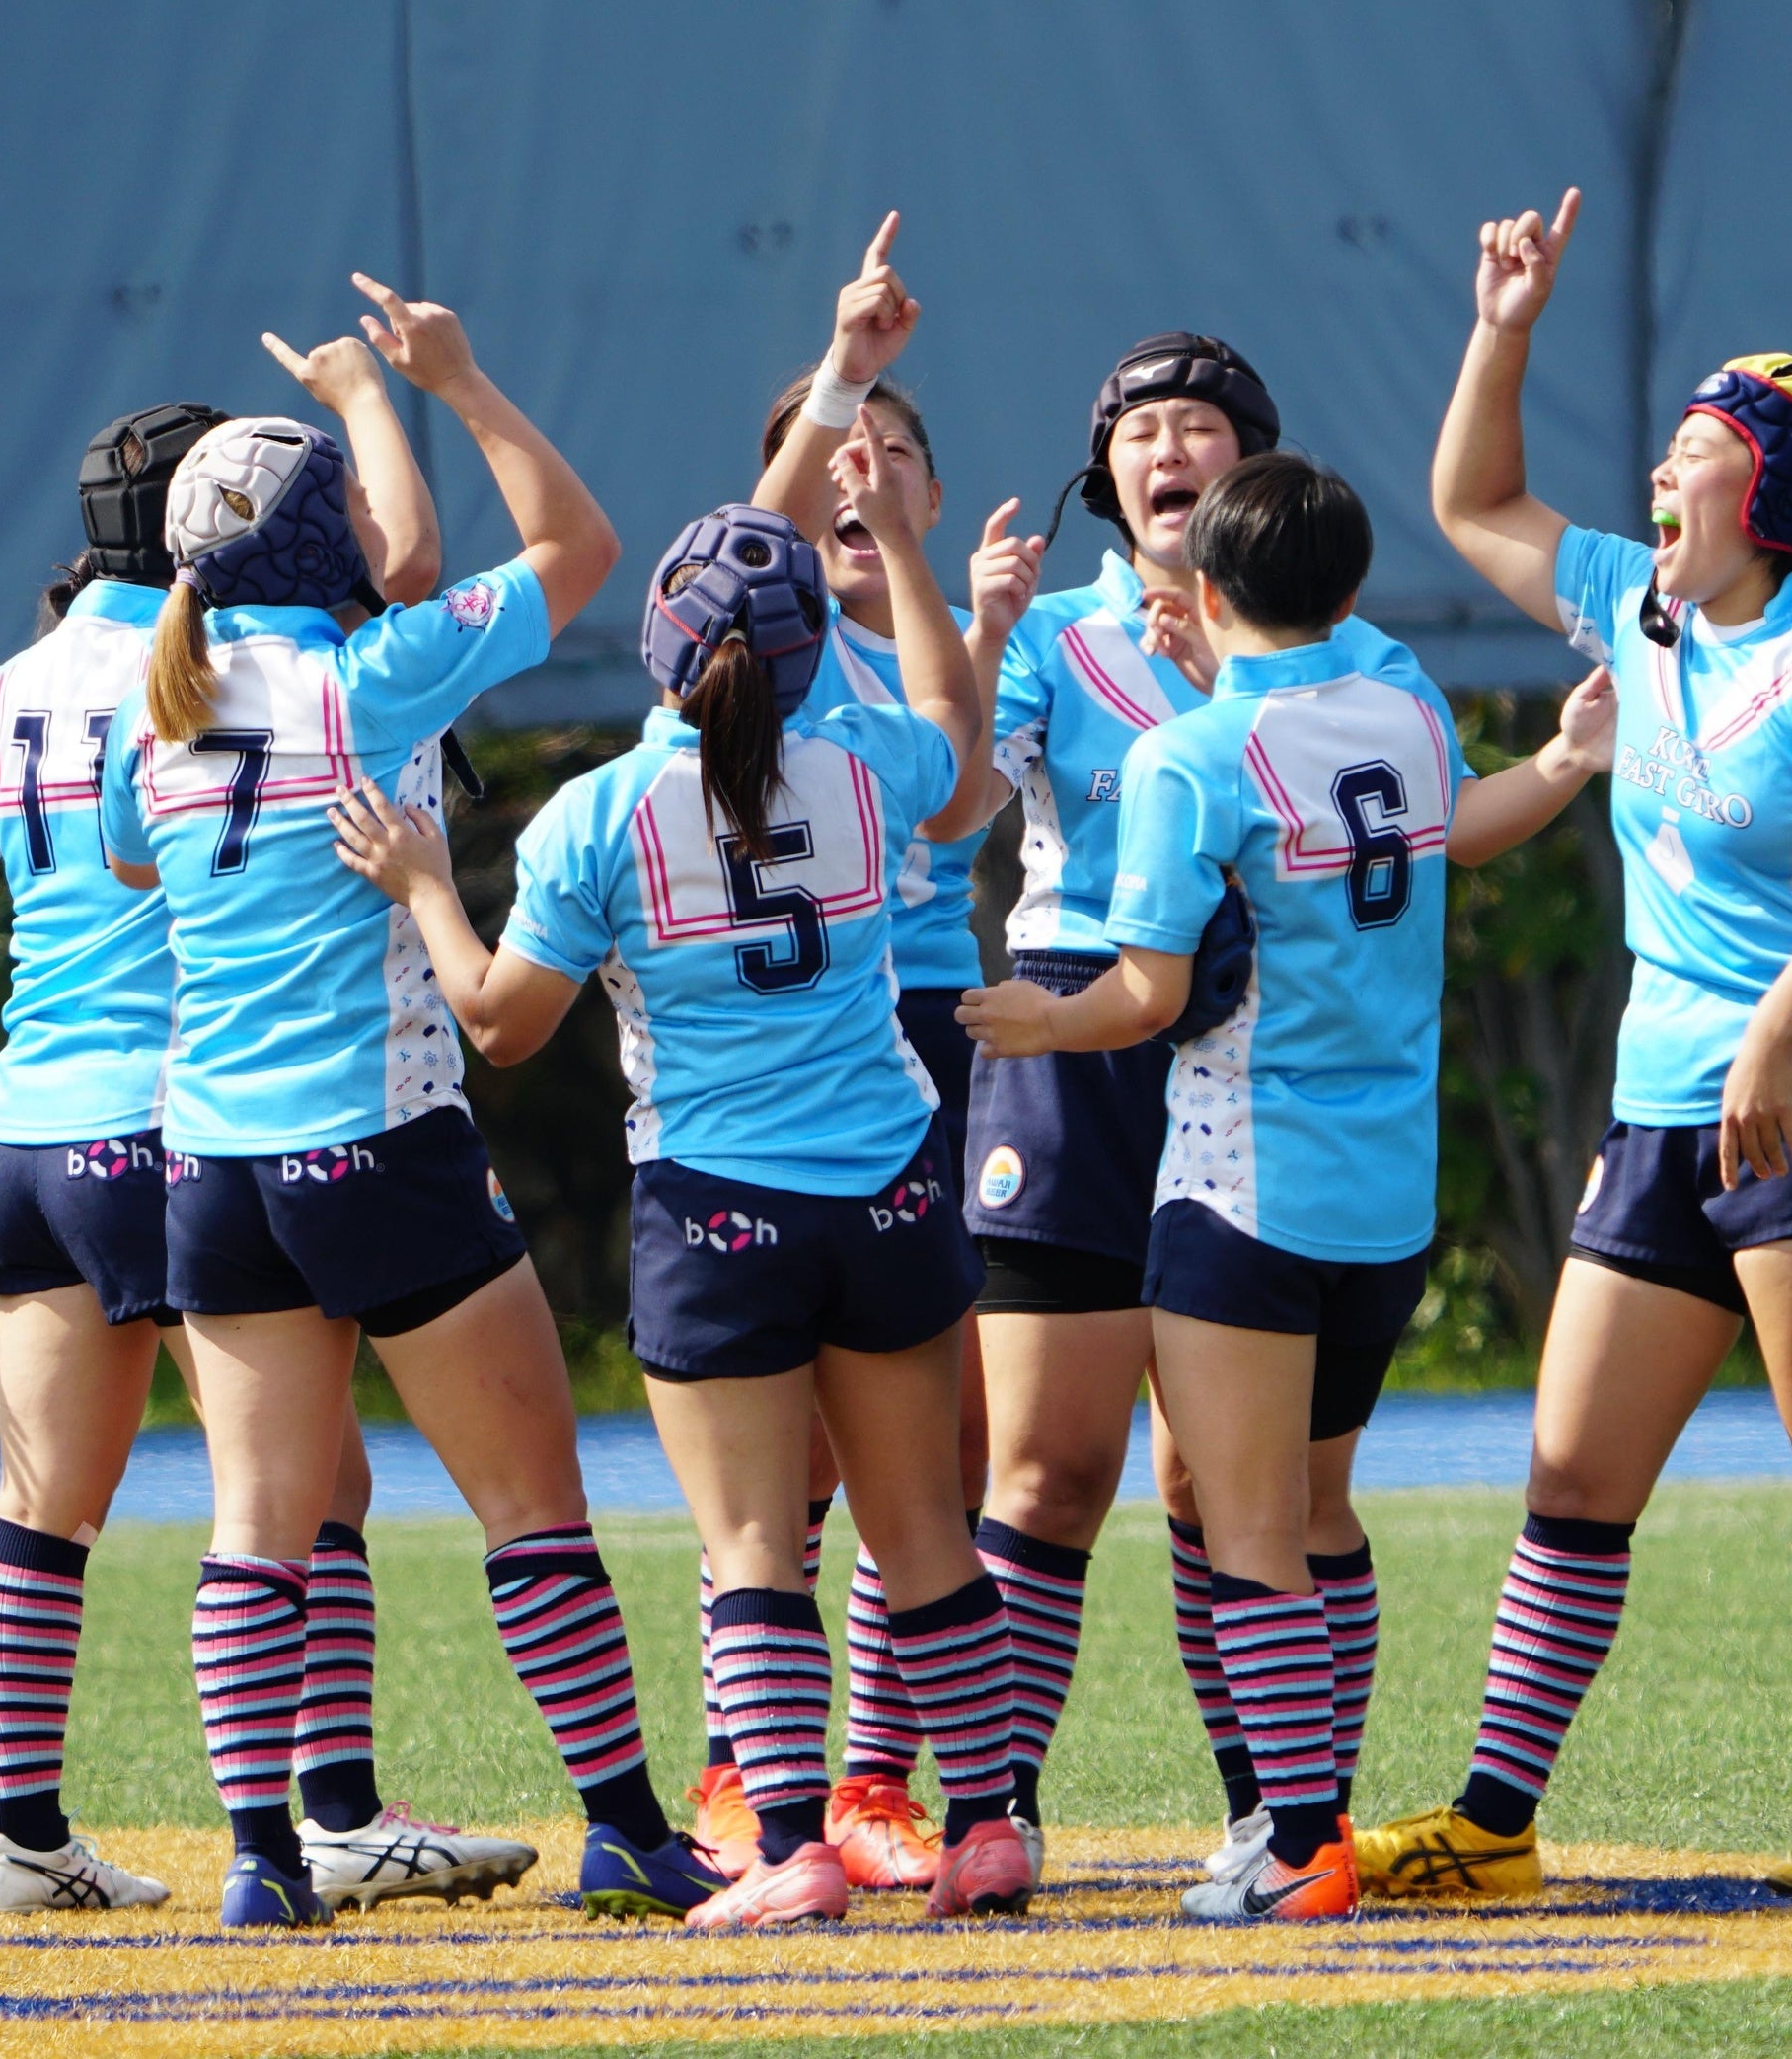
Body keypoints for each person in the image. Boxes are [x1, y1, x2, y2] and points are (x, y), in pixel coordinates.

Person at [0, 343, 528, 1918]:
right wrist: (376, 399)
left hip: (25, 1138)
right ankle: (331, 1815)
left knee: (43, 1506)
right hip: (182, 1126)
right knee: (307, 1492)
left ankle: (21, 1833)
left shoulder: (0, 692)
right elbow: (409, 573)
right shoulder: (213, 672)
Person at [1360, 190, 1792, 1903]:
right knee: (1570, 1474)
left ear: (1769, 492)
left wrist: (1775, 1032)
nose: (1656, 475)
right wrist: (1503, 327)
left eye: (1693, 452)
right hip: (1660, 1112)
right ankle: (1495, 1823)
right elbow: (1473, 503)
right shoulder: (1643, 609)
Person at [332, 453, 1034, 1933]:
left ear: (660, 639)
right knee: (925, 1537)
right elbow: (960, 744)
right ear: (807, 654)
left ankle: (788, 1848)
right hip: (889, 1189)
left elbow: (500, 1024)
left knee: (753, 1550)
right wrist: (908, 553)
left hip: (719, 1210)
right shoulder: (863, 766)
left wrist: (425, 886)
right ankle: (986, 1832)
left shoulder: (597, 815)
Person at [97, 277, 714, 1932]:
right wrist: (458, 387)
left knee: (257, 1532)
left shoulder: (158, 709)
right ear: (326, 547)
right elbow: (579, 550)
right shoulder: (369, 682)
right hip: (375, 1140)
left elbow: (134, 862)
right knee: (531, 1511)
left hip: (211, 1162)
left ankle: (261, 1864)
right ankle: (630, 1832)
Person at [962, 453, 1613, 1921]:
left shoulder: (1194, 755)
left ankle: (1301, 1843)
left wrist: (1038, 1023)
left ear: (1202, 593)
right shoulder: (1404, 711)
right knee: (1319, 1514)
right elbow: (1457, 825)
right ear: (1354, 589)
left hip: (1242, 1181)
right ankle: (1309, 1823)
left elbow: (1147, 994)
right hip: (1386, 1194)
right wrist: (1569, 762)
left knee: (1245, 1531)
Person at [705, 214, 1038, 1887]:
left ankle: (873, 1784)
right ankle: (740, 1777)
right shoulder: (745, 652)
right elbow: (743, 547)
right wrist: (843, 374)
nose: (859, 465)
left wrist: (961, 601)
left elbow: (961, 799)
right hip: (774, 1053)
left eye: (892, 452)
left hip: (919, 1034)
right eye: (834, 450)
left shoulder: (929, 633)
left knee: (931, 1439)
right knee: (783, 1447)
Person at [959, 331, 1311, 1864]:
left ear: (1255, 466)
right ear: (1105, 475)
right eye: (1141, 430)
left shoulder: (1321, 648)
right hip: (1075, 1040)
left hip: (1245, 1045)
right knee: (1048, 1467)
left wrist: (1233, 680)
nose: (1169, 449)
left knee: (1217, 1475)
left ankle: (1269, 1811)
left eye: (1200, 426)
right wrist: (980, 633)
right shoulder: (1048, 632)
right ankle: (994, 1809)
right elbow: (953, 806)